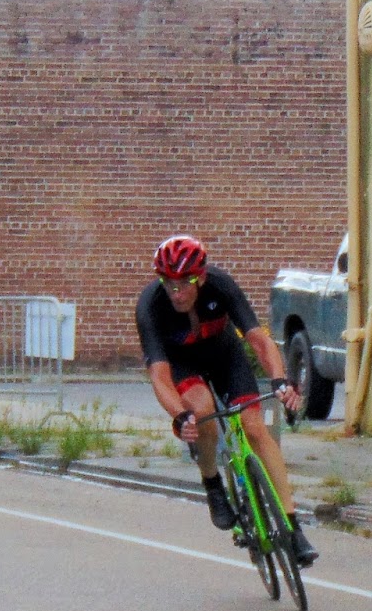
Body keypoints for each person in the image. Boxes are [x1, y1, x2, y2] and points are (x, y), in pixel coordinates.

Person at [136, 234, 318, 567]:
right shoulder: (151, 305)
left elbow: (259, 342)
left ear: (201, 277)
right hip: (182, 366)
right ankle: (213, 484)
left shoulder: (221, 285)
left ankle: (293, 529)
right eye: (168, 283)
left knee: (254, 429)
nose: (176, 292)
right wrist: (179, 416)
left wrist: (280, 380)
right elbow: (160, 377)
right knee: (201, 411)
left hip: (225, 357)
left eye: (184, 283)